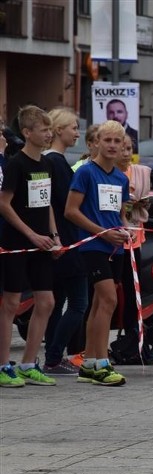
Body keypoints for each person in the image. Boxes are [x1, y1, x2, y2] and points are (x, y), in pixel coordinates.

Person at [65, 120, 132, 386]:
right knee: (108, 300)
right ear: (96, 143)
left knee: (99, 304)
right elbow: (71, 211)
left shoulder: (120, 178)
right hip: (93, 245)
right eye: (108, 140)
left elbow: (119, 214)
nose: (113, 146)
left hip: (115, 246)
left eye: (118, 142)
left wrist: (127, 229)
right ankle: (103, 363)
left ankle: (90, 362)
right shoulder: (86, 173)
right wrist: (101, 233)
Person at [0, 105, 60, 388]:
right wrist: (30, 234)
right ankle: (3, 365)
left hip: (42, 244)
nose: (49, 134)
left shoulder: (46, 164)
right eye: (44, 129)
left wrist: (53, 235)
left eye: (50, 129)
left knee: (46, 301)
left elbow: (46, 202)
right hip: (16, 243)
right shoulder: (17, 164)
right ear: (27, 133)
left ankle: (28, 363)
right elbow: (4, 204)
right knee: (11, 303)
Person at [42, 107, 89, 376]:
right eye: (73, 127)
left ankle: (51, 357)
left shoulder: (50, 160)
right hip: (68, 241)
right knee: (79, 303)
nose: (76, 132)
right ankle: (54, 355)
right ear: (58, 130)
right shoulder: (57, 162)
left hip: (57, 241)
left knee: (56, 303)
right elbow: (64, 204)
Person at [116, 133, 153, 363]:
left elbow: (145, 202)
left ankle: (134, 341)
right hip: (111, 240)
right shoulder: (108, 174)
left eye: (129, 148)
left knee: (133, 294)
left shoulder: (140, 172)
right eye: (122, 147)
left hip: (135, 238)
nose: (125, 153)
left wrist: (142, 204)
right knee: (106, 294)